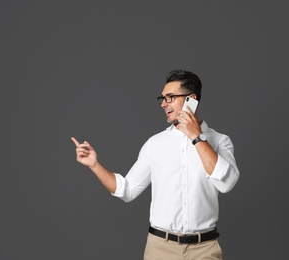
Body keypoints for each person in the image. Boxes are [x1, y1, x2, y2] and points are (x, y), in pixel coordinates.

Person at [71, 69, 239, 260]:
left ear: (191, 99)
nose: (164, 104)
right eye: (163, 98)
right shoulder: (155, 144)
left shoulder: (220, 141)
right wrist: (94, 165)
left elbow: (226, 184)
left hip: (205, 249)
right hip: (161, 250)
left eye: (170, 97)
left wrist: (196, 136)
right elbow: (127, 190)